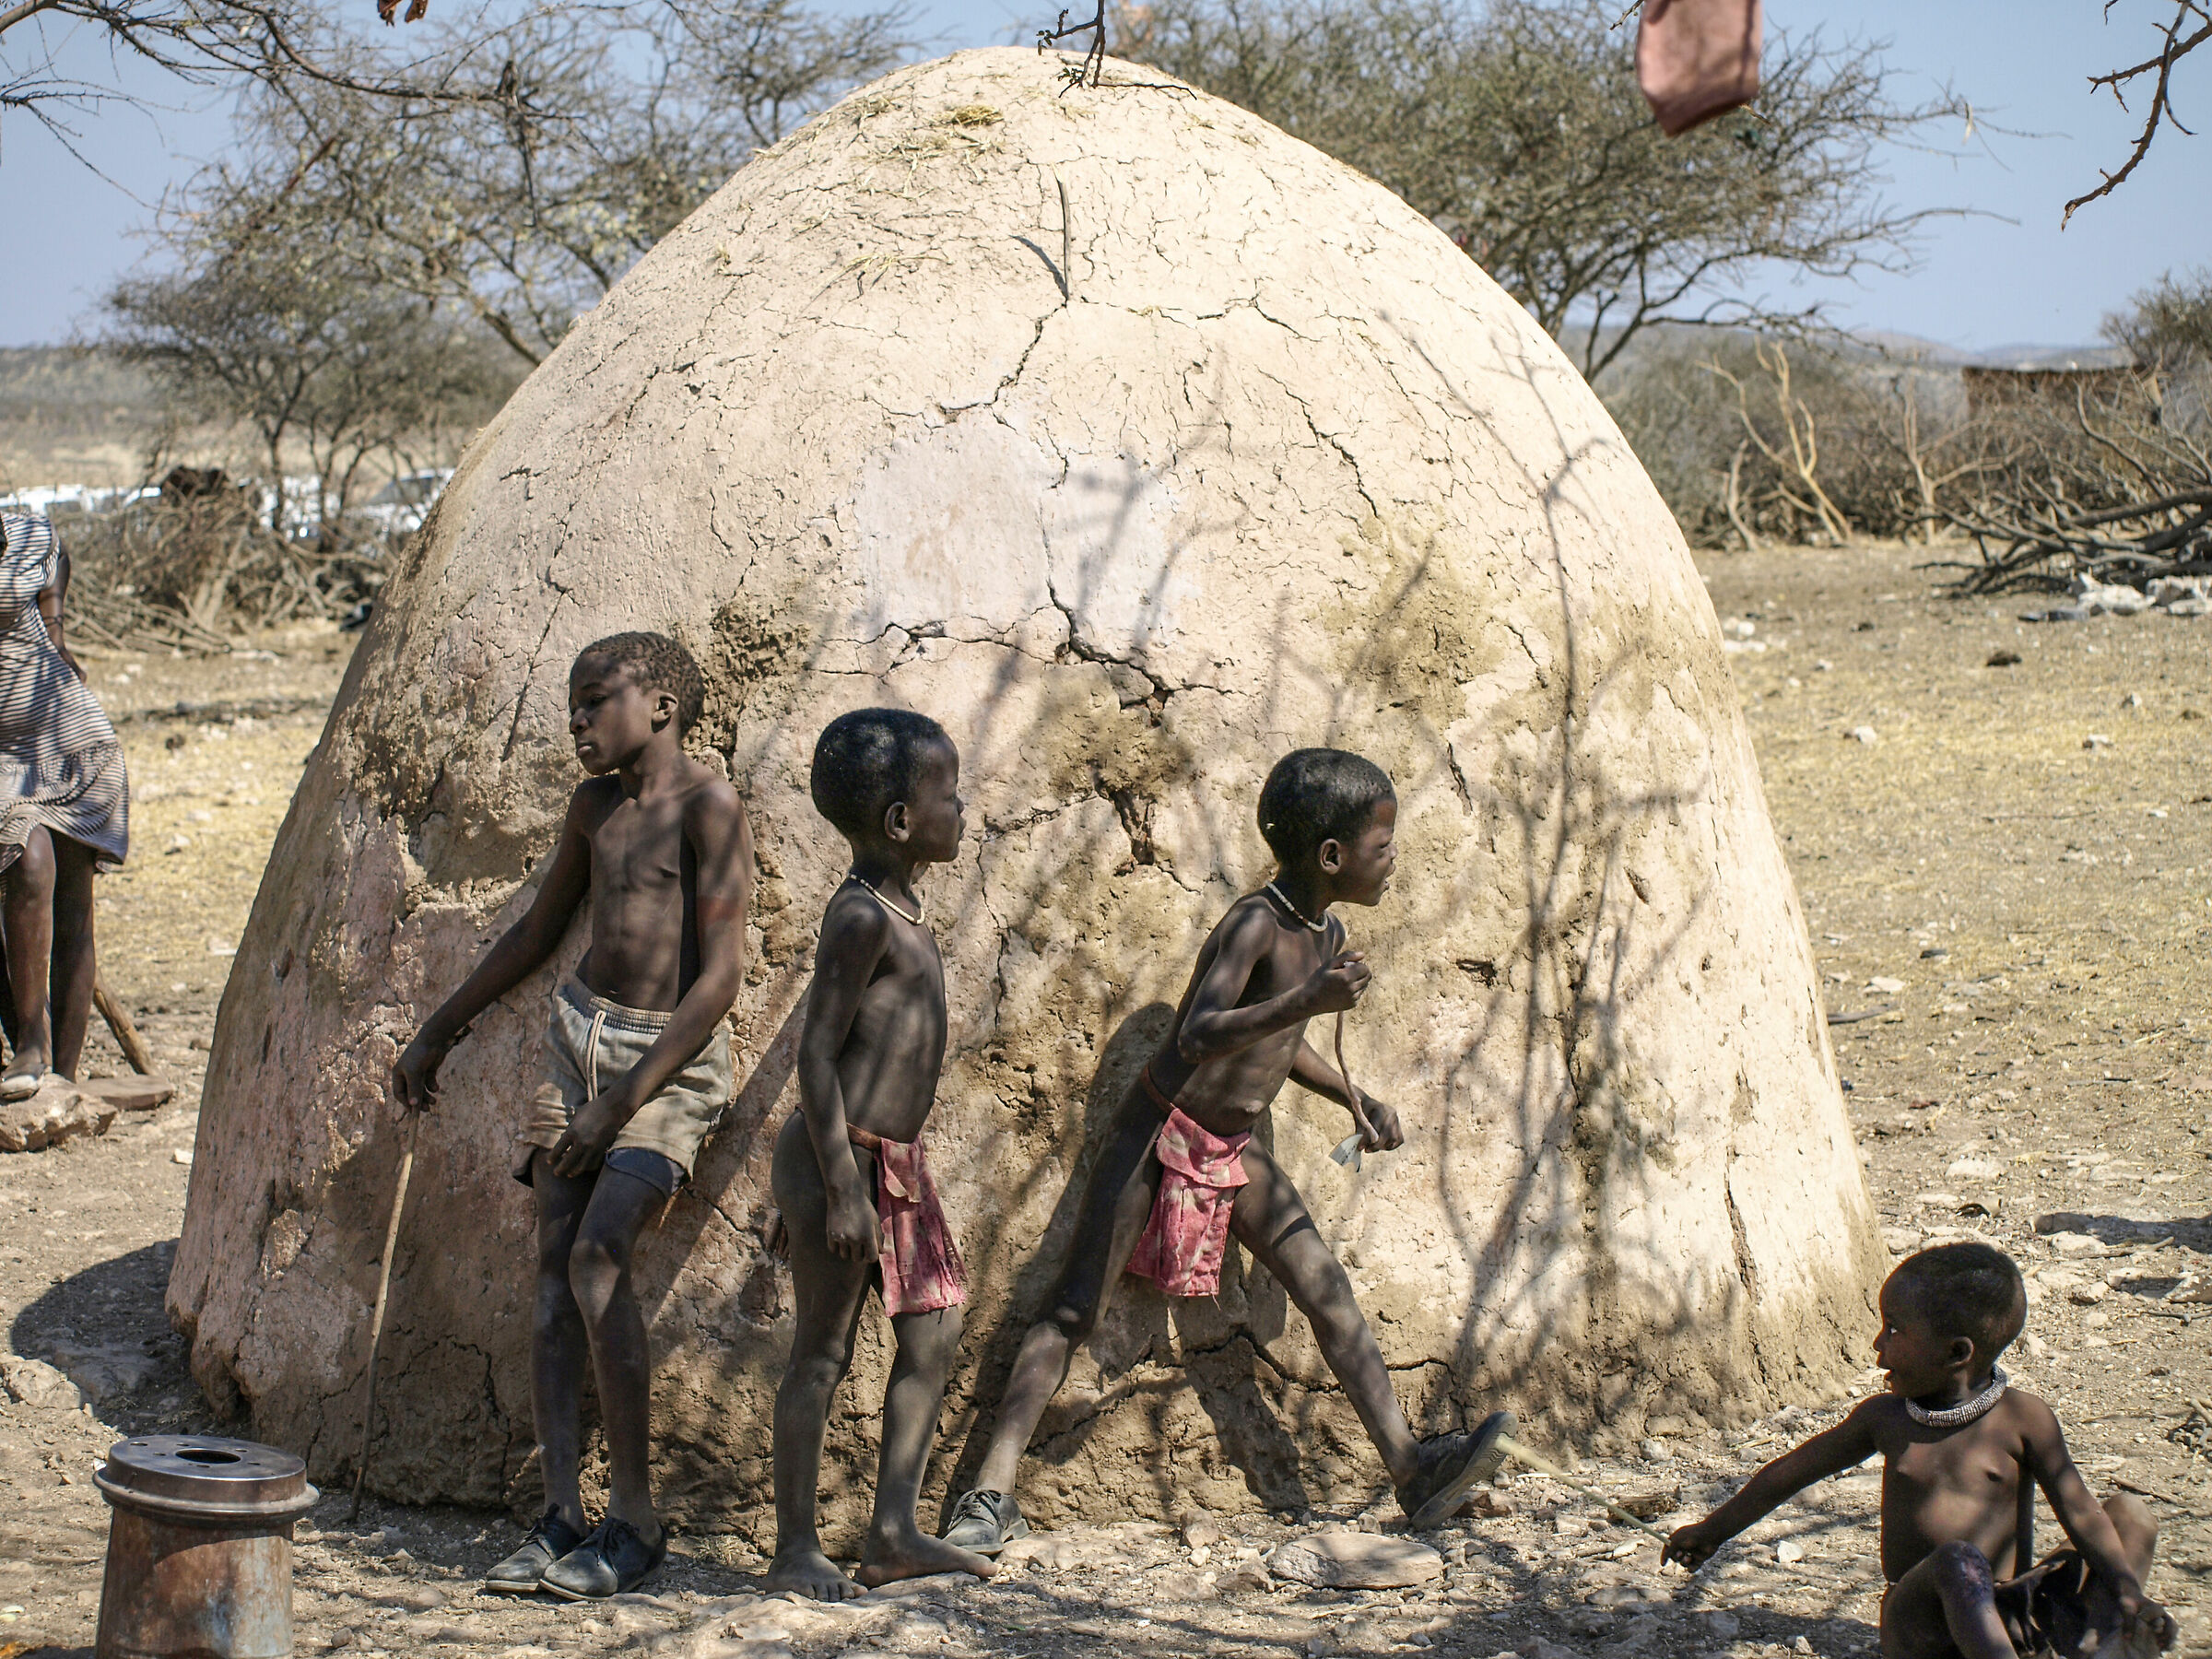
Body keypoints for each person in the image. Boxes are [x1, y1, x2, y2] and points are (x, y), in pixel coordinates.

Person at [943, 747, 1515, 1555]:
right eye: (1382, 848)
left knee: (1325, 1288)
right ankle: (988, 1494)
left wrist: (1355, 1096)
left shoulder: (1327, 932)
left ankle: (1411, 1468)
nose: (1393, 862)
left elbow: (1283, 1042)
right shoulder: (1256, 924)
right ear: (1332, 856)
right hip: (1159, 1133)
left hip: (1231, 1148)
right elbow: (1199, 1034)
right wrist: (1305, 998)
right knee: (1074, 1307)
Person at [393, 632, 753, 1600]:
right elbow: (542, 929)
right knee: (554, 1277)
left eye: (597, 701)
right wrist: (441, 1029)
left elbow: (719, 979)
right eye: (572, 706)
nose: (578, 723)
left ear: (663, 702)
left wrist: (622, 1107)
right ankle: (560, 1514)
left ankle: (636, 1521)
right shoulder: (594, 809)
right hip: (577, 1044)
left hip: (664, 1067)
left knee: (601, 1259)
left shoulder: (708, 807)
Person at [1663, 1241, 2174, 1659]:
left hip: (2009, 1614)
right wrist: (1711, 1532)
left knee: (2128, 1515)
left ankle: (2107, 1641)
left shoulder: (2024, 1418)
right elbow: (1788, 1475)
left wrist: (2127, 1588)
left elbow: (2079, 1511)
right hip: (1924, 1629)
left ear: (1956, 1353)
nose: (1877, 1344)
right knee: (1957, 1561)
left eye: (1894, 1330)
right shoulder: (1884, 1420)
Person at [765, 708, 996, 1600]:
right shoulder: (861, 917)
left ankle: (893, 1530)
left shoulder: (902, 907)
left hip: (892, 1165)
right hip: (845, 1163)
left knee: (931, 1335)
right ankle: (794, 1549)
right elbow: (813, 1054)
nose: (962, 805)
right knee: (820, 1353)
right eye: (948, 792)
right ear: (901, 821)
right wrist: (839, 1186)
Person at [0, 511, 129, 1099]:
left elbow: (55, 636)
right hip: (5, 756)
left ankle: (63, 1081)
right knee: (28, 862)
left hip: (68, 740)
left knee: (75, 901)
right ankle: (30, 1039)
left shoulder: (27, 539)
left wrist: (56, 636)